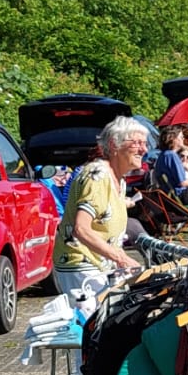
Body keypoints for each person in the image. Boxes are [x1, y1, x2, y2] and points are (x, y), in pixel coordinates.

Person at [51, 118, 148, 293]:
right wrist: (121, 258)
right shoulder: (97, 176)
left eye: (145, 143)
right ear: (114, 144)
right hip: (81, 264)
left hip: (101, 263)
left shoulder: (119, 179)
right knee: (91, 319)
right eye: (137, 143)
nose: (144, 149)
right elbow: (81, 229)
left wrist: (120, 258)